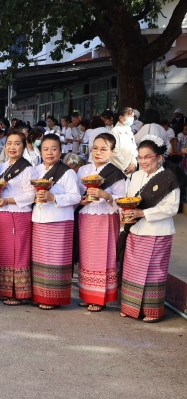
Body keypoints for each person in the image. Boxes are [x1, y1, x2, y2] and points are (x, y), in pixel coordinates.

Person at [119, 137, 181, 322]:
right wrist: (126, 213)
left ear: (159, 158)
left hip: (157, 232)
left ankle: (152, 311)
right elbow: (129, 199)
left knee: (153, 273)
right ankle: (130, 308)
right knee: (132, 271)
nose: (143, 161)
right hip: (136, 230)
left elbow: (172, 208)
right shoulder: (136, 175)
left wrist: (143, 213)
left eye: (148, 157)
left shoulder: (168, 178)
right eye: (140, 157)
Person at [75, 132, 126, 313]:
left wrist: (105, 195)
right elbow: (76, 194)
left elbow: (122, 200)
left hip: (106, 218)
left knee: (103, 256)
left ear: (112, 151)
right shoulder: (83, 170)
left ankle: (100, 298)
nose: (98, 152)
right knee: (87, 256)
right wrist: (80, 201)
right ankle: (88, 294)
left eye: (104, 149)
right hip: (86, 217)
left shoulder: (116, 173)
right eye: (95, 148)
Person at [29, 133, 81, 310]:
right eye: (46, 149)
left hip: (60, 221)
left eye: (54, 149)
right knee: (40, 260)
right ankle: (39, 295)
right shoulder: (35, 170)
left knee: (56, 261)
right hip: (39, 220)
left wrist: (54, 197)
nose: (49, 152)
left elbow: (76, 197)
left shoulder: (67, 172)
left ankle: (53, 298)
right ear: (40, 151)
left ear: (60, 151)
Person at [0, 128, 35, 306]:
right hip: (2, 214)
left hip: (18, 214)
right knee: (5, 252)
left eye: (17, 143)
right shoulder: (2, 167)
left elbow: (31, 195)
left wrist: (8, 200)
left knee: (18, 251)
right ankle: (6, 290)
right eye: (9, 143)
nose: (12, 147)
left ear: (23, 147)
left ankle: (19, 293)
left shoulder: (28, 169)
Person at [109, 107, 139, 174]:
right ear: (121, 118)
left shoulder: (129, 131)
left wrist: (134, 163)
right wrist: (126, 166)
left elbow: (134, 149)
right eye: (130, 116)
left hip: (130, 168)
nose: (132, 118)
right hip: (118, 169)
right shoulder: (114, 131)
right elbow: (113, 151)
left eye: (133, 116)